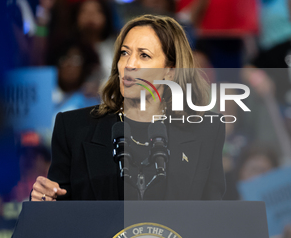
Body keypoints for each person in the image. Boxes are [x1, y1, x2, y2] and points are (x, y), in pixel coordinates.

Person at [31, 14, 226, 201]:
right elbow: (59, 212)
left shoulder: (207, 130)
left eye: (144, 55)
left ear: (170, 71)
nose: (129, 64)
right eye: (125, 53)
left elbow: (211, 216)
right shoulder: (73, 128)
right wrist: (45, 199)